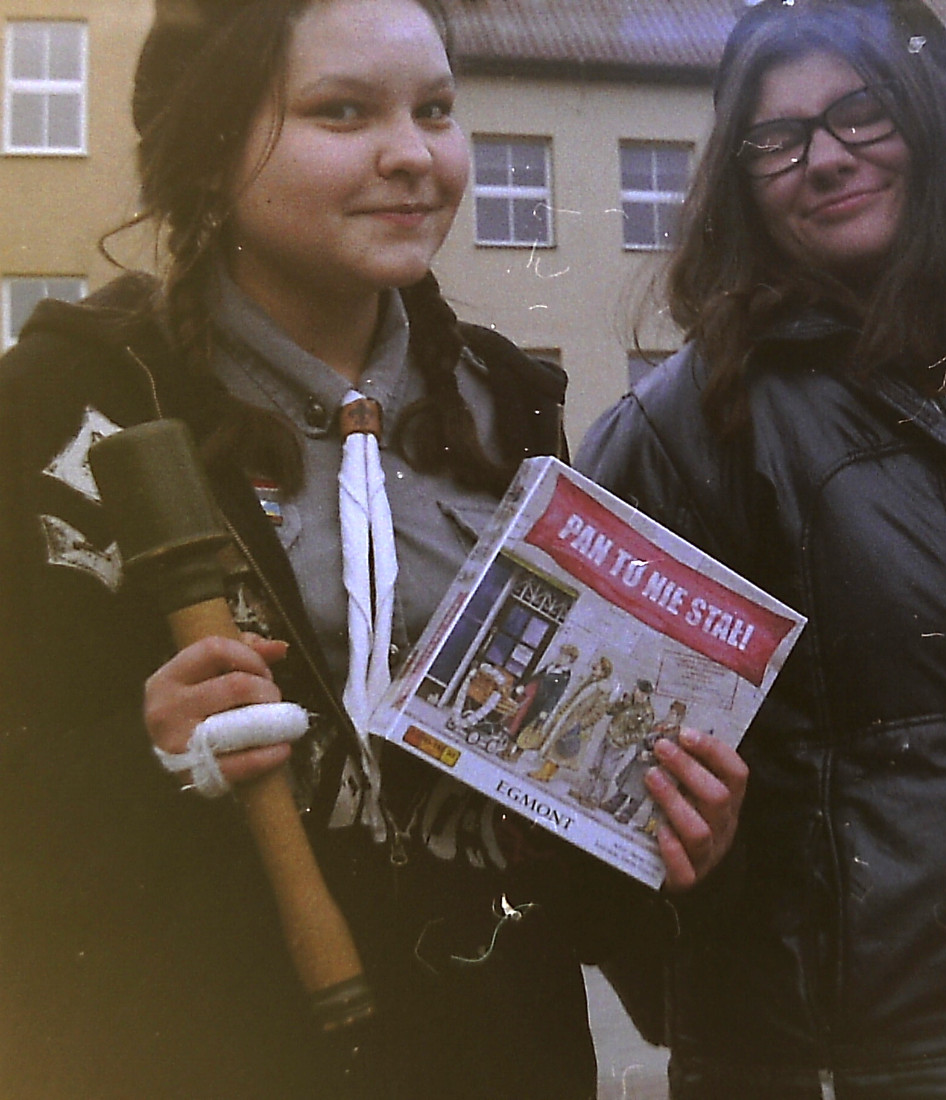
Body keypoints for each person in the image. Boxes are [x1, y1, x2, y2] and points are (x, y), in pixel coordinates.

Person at [0, 1, 745, 1097]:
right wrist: (144, 758)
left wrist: (662, 833)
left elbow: (537, 836)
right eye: (343, 112)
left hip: (501, 1058)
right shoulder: (70, 403)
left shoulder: (506, 404)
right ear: (209, 144)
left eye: (435, 110)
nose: (414, 155)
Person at [576, 1, 946, 1095]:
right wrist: (699, 881)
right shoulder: (689, 428)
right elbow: (584, 812)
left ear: (935, 121)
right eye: (776, 138)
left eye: (861, 112)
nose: (825, 157)